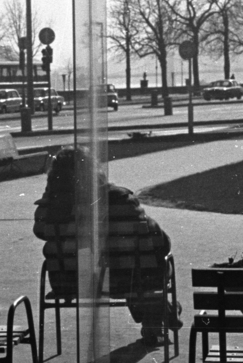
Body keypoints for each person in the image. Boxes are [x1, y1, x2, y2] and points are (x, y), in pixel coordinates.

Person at [33, 146, 180, 344]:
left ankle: (160, 315)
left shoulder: (51, 207)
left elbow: (40, 231)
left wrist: (52, 193)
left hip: (69, 281)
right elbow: (158, 240)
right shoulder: (120, 199)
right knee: (142, 264)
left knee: (118, 262)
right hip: (126, 278)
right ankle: (160, 316)